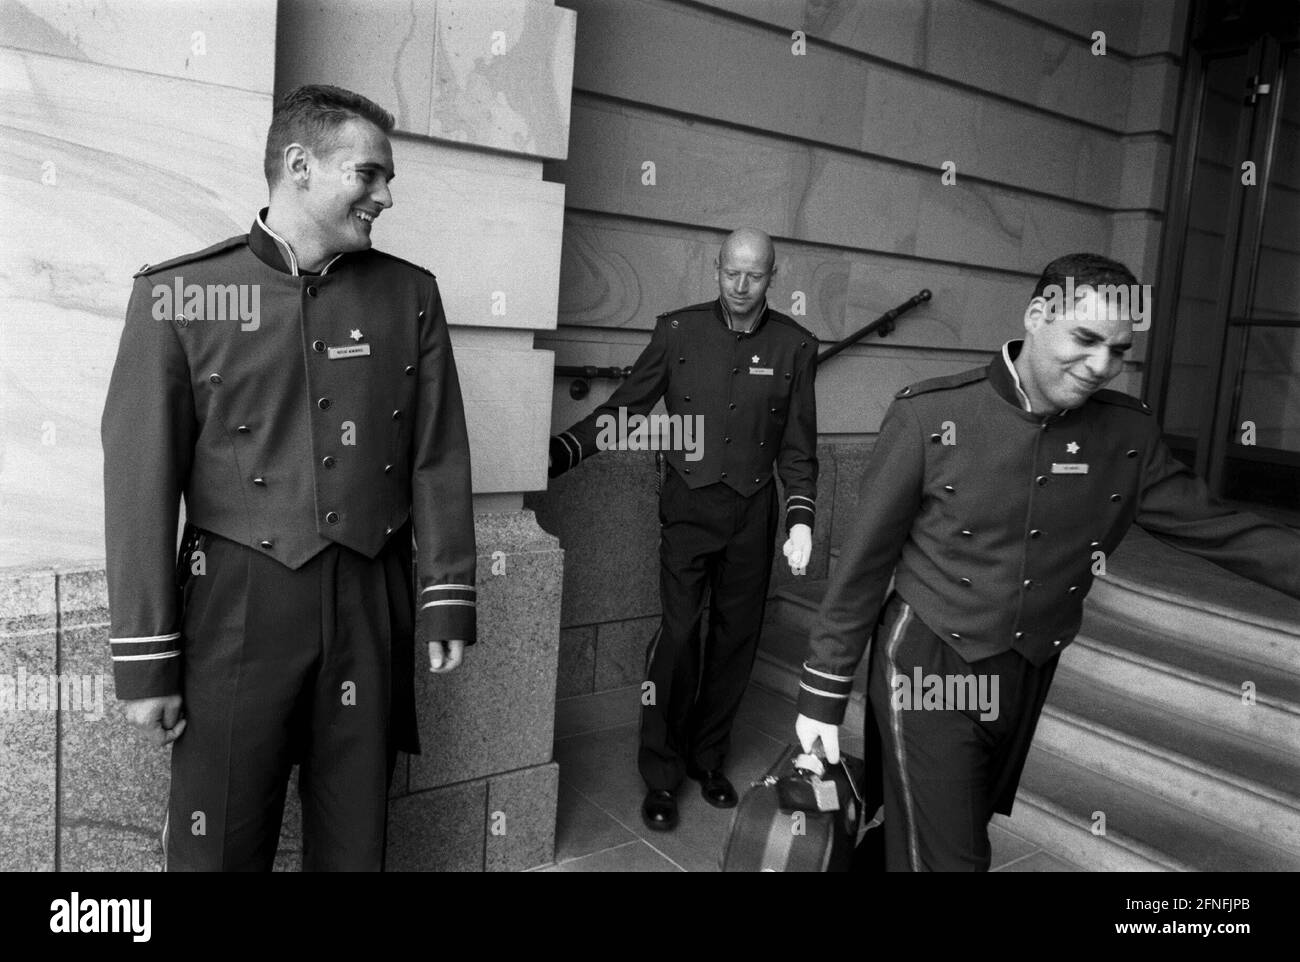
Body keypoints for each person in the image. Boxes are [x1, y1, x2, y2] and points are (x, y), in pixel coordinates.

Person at [794, 252, 1300, 871]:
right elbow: (863, 566)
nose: (1100, 367)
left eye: (1118, 351)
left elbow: (1223, 529)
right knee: (952, 857)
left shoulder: (1127, 434)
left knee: (943, 826)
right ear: (1037, 315)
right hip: (929, 662)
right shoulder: (930, 415)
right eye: (1084, 339)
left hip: (1030, 667)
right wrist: (822, 692)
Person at [101, 84, 477, 871]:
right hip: (236, 604)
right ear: (300, 166)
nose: (386, 195)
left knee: (354, 846)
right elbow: (139, 483)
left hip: (371, 600)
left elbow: (437, 453)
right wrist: (146, 661)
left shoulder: (411, 294)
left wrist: (446, 594)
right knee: (217, 848)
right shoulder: (181, 294)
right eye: (369, 174)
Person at [549, 229, 818, 830]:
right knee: (676, 637)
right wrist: (564, 451)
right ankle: (661, 771)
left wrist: (800, 518)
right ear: (716, 269)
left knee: (735, 639)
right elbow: (629, 406)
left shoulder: (796, 347)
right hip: (690, 508)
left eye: (754, 275)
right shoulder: (678, 331)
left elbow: (799, 447)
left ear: (774, 276)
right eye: (731, 273)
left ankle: (708, 757)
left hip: (753, 513)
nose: (741, 287)